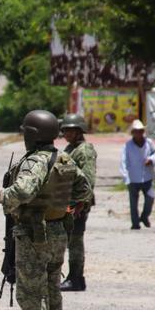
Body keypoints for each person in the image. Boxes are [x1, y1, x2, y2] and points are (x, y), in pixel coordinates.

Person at [0, 110, 92, 310]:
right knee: (52, 290)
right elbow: (84, 190)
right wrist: (61, 207)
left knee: (30, 291)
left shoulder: (35, 161)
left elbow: (23, 190)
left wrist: (3, 195)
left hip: (33, 235)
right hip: (59, 233)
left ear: (32, 135)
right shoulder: (64, 159)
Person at [59, 113, 97, 292]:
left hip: (78, 204)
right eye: (64, 130)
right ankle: (75, 278)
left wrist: (81, 203)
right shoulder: (70, 149)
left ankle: (75, 278)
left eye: (70, 130)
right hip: (68, 202)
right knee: (70, 240)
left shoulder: (84, 150)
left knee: (74, 241)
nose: (66, 133)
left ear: (79, 131)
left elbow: (88, 179)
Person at [120, 119, 155, 229]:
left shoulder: (149, 143)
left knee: (150, 198)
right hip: (133, 177)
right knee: (133, 202)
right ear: (132, 133)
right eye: (136, 131)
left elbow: (154, 154)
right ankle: (135, 223)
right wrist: (125, 176)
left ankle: (145, 216)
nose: (139, 133)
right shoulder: (127, 146)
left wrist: (150, 159)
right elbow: (123, 161)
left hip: (147, 176)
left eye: (141, 131)